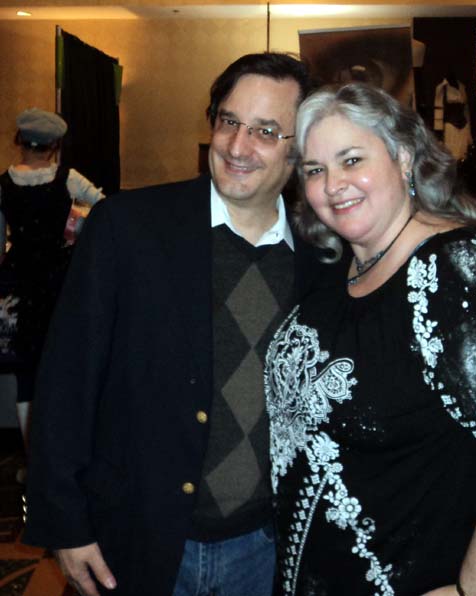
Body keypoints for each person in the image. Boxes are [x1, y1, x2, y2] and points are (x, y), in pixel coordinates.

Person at [23, 53, 336, 596]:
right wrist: (65, 522)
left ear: (299, 147)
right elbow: (67, 381)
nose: (238, 146)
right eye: (229, 121)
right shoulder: (129, 227)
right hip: (134, 538)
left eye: (266, 131)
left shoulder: (324, 260)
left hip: (266, 548)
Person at [264, 83, 476, 596]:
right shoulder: (340, 265)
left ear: (403, 157)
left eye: (351, 160)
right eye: (314, 169)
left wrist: (474, 591)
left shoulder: (457, 271)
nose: (332, 185)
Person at [0, 108, 104, 444]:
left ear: (19, 141)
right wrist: (77, 227)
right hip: (60, 281)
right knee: (64, 362)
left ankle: (32, 456)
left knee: (26, 371)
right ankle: (62, 447)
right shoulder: (68, 178)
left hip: (18, 283)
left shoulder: (3, 184)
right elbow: (105, 210)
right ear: (54, 146)